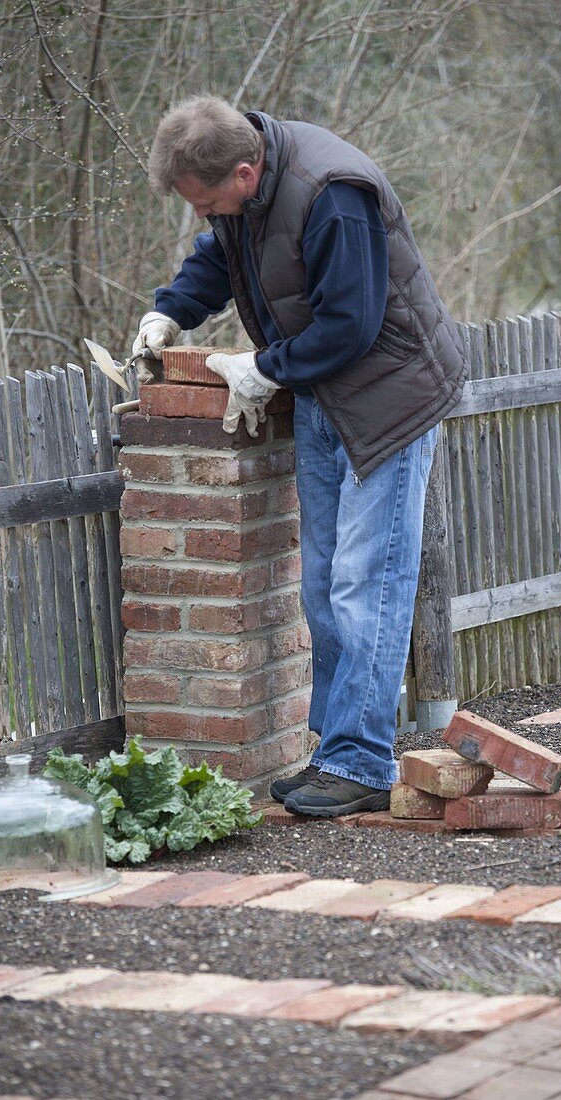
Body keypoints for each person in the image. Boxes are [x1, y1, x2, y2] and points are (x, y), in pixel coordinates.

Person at [131, 95, 467, 818]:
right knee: (321, 582)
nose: (202, 214)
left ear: (246, 173)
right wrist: (170, 311)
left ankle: (362, 761)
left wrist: (264, 368)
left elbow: (351, 323)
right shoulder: (242, 196)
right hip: (322, 390)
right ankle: (335, 752)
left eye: (207, 201)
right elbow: (218, 256)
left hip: (391, 392)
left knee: (365, 581)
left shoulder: (332, 194)